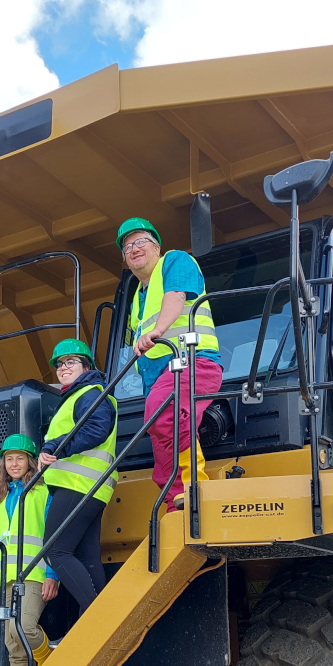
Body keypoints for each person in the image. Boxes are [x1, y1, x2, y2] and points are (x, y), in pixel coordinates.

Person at [118, 217, 221, 509]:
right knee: (160, 438)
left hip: (193, 362)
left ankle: (193, 488)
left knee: (164, 415)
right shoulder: (138, 296)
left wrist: (157, 331)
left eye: (140, 242)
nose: (134, 249)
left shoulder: (175, 261)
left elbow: (176, 296)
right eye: (127, 247)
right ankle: (176, 504)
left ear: (156, 246)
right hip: (159, 378)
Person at [38, 339, 117, 617]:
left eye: (70, 361)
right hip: (89, 489)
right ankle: (102, 620)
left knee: (55, 551)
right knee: (86, 557)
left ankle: (95, 617)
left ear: (86, 366)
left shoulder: (91, 393)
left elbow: (97, 429)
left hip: (77, 486)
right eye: (59, 364)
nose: (63, 368)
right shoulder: (78, 396)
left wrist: (55, 447)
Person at [0, 435, 59, 666]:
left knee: (23, 628)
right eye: (9, 459)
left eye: (19, 458)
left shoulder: (43, 491)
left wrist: (52, 575)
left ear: (30, 461)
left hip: (34, 574)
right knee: (11, 644)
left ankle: (51, 662)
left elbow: (53, 534)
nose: (14, 464)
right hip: (3, 580)